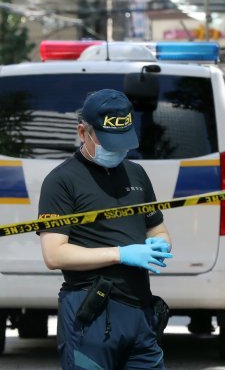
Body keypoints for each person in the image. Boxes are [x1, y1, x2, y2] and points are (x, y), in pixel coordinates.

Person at [38, 89, 173, 370]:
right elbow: (54, 254)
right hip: (91, 310)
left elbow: (157, 229)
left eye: (123, 142)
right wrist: (120, 254)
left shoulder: (136, 173)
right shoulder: (61, 181)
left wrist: (160, 244)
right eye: (108, 142)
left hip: (140, 310)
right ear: (82, 132)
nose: (117, 150)